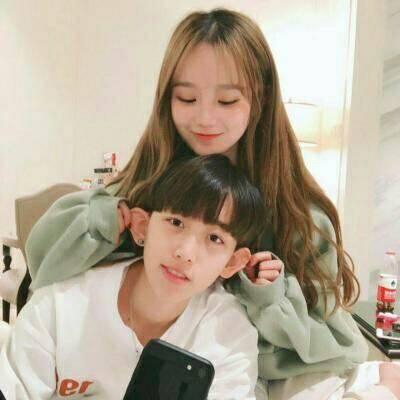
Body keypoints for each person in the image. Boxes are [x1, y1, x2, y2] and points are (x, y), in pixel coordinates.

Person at [23, 8, 400, 400]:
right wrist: (104, 223)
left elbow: (329, 345)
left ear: (260, 97)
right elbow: (51, 276)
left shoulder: (299, 219)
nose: (205, 118)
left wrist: (269, 299)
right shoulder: (142, 191)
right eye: (186, 97)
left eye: (227, 100)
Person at [0, 155, 264, 400]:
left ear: (232, 262)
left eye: (215, 238)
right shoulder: (60, 305)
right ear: (142, 227)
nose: (185, 253)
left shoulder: (230, 335)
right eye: (176, 223)